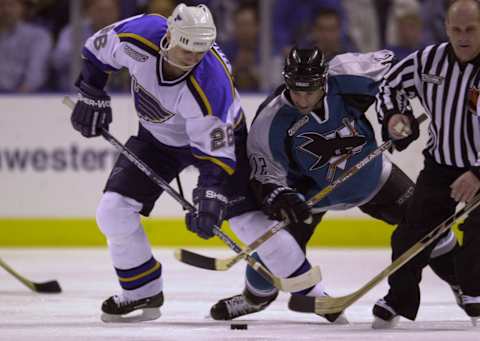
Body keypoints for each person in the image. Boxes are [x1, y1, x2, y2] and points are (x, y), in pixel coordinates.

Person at [69, 2, 332, 324]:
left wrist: (209, 197)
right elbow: (95, 52)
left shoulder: (211, 84)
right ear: (170, 36)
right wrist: (91, 93)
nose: (193, 59)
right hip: (155, 140)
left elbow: (215, 157)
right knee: (112, 210)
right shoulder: (139, 35)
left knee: (247, 222)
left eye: (200, 51)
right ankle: (142, 290)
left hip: (222, 143)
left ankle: (314, 295)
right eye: (187, 50)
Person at [209, 47, 461, 323]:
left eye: (310, 90)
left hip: (373, 176)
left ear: (325, 79)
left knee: (429, 226)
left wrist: (395, 115)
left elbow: (400, 75)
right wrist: (281, 196)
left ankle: (463, 284)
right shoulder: (271, 120)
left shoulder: (350, 73)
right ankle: (253, 299)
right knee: (276, 247)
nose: (302, 99)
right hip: (312, 195)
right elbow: (265, 175)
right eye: (296, 90)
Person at [373, 0, 480, 328]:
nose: (462, 36)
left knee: (476, 240)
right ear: (446, 28)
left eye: (471, 29)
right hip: (441, 166)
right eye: (456, 29)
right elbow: (390, 86)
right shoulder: (428, 60)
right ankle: (399, 298)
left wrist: (478, 173)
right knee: (409, 236)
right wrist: (395, 117)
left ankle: (475, 290)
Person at [0, 0, 52, 92]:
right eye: (1, 5)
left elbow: (36, 72)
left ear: (22, 8)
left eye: (11, 5)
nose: (5, 10)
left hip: (23, 97)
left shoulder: (38, 35)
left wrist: (20, 98)